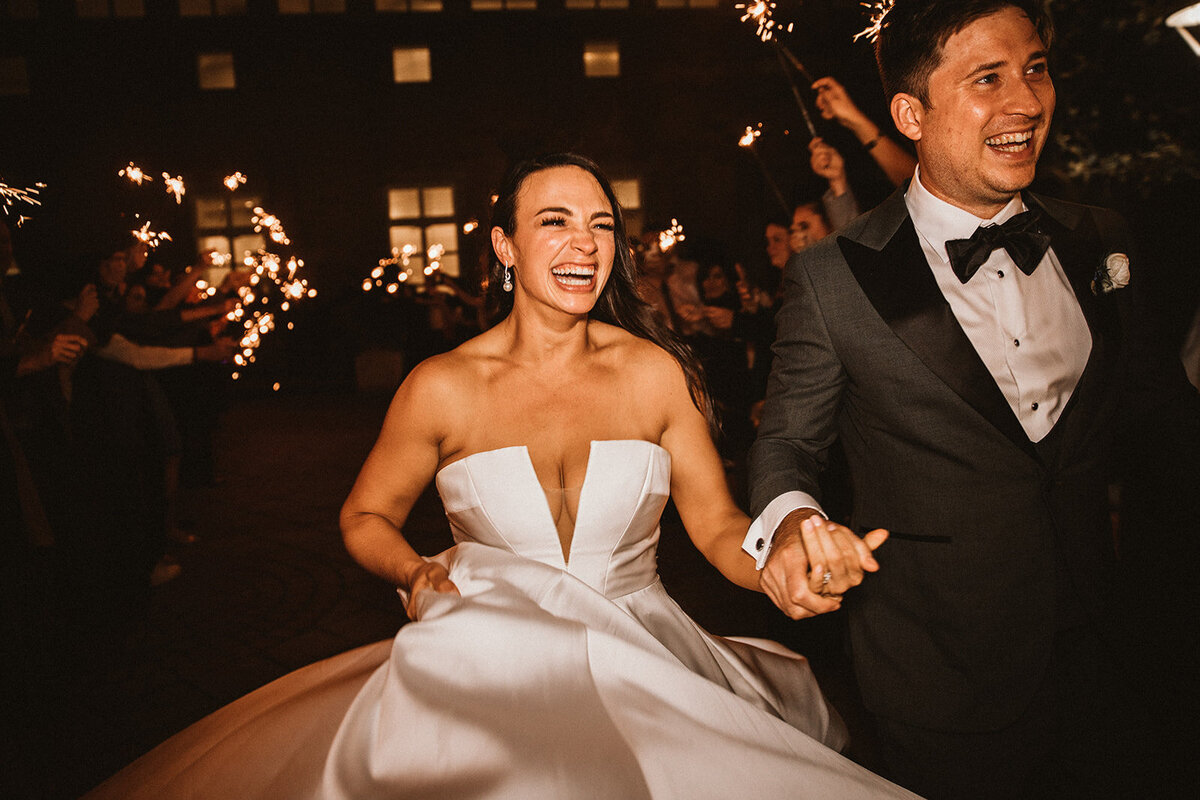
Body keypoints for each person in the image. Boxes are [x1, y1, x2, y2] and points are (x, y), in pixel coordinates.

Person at [86, 154, 916, 799]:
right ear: (505, 246)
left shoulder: (655, 374)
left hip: (645, 656)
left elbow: (717, 528)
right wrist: (412, 571)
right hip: (484, 668)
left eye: (601, 224)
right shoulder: (441, 385)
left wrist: (785, 559)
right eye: (554, 221)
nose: (584, 243)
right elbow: (364, 516)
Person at [746, 2, 1200, 798]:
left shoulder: (1103, 239)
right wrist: (793, 524)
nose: (1026, 101)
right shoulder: (833, 277)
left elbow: (1164, 422)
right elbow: (788, 441)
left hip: (1122, 655)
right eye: (988, 78)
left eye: (1035, 69)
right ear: (910, 114)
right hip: (946, 680)